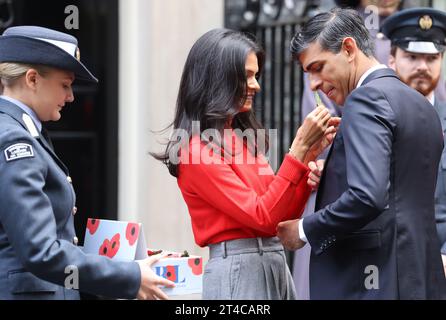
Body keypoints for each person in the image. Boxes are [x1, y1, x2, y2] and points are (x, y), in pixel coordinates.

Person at [153, 28, 339, 300]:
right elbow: (263, 217)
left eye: (256, 75)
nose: (256, 85)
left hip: (271, 262)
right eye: (248, 76)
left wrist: (307, 156)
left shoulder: (241, 139)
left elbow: (279, 217)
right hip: (240, 269)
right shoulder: (195, 151)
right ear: (220, 77)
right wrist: (298, 151)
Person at [277, 8, 446, 299]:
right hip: (418, 278)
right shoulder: (420, 105)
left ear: (348, 48)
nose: (314, 84)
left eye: (318, 68)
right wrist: (330, 173)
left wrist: (304, 229)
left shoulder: (365, 99)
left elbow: (368, 196)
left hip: (372, 282)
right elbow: (397, 190)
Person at [0, 26, 174, 300]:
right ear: (32, 79)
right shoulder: (14, 141)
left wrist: (124, 265)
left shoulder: (23, 133)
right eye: (65, 85)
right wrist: (128, 276)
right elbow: (41, 251)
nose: (70, 96)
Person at [381, 7, 446, 277]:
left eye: (432, 58)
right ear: (392, 59)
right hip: (384, 264)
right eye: (412, 56)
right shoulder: (371, 121)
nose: (422, 66)